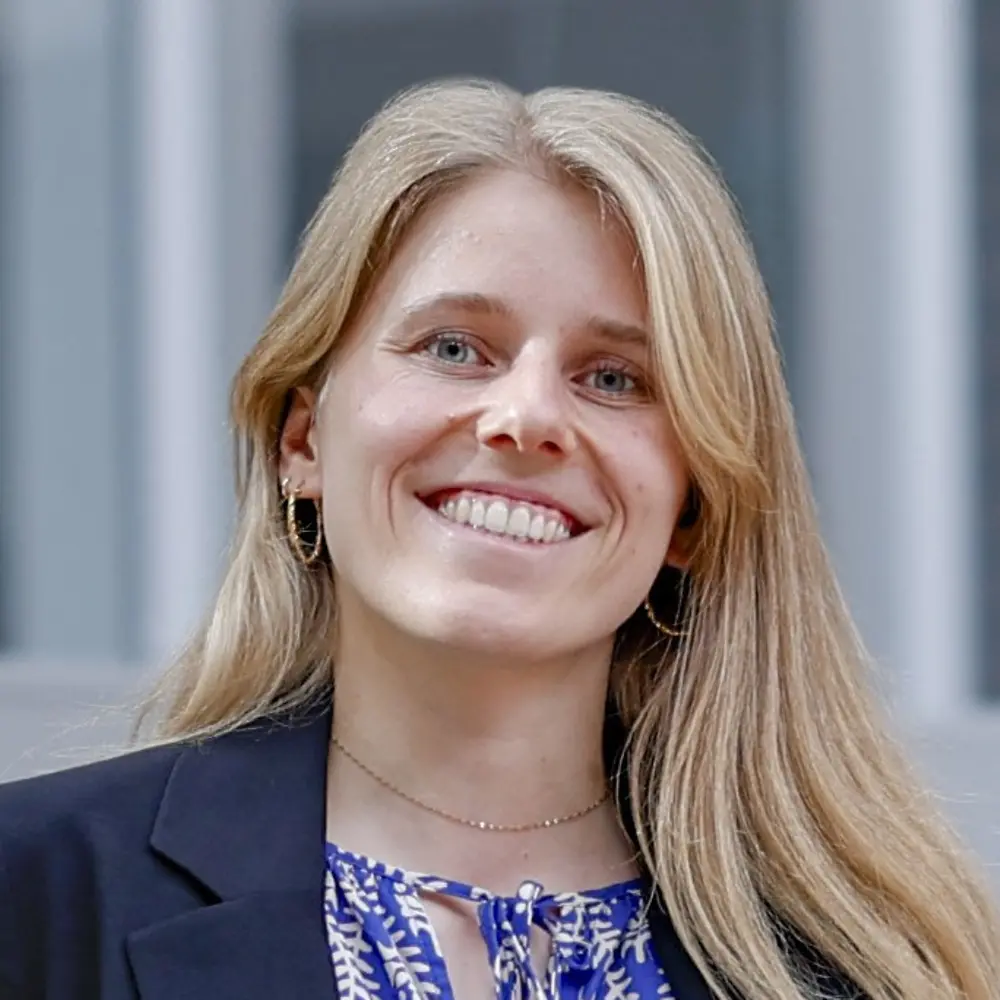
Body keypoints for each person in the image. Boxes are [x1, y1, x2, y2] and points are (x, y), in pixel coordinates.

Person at [0, 79, 997, 1000]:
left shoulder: (871, 965)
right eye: (451, 348)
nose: (524, 416)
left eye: (613, 376)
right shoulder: (34, 891)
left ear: (690, 512)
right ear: (302, 440)